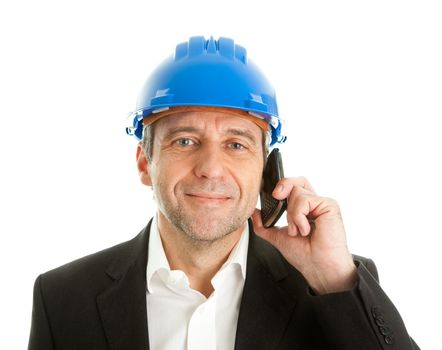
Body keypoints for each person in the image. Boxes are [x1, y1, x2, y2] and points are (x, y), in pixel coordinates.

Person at [28, 36, 420, 350]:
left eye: (237, 144)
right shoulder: (64, 299)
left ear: (267, 170)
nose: (211, 168)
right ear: (145, 163)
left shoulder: (331, 288)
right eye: (184, 141)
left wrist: (333, 279)